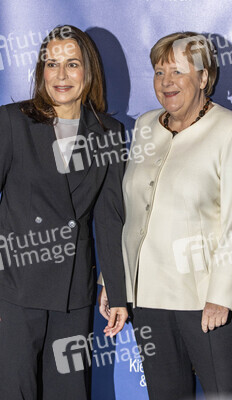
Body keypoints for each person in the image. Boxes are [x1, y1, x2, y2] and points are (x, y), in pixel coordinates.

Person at [99, 32, 232, 399]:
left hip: (207, 301)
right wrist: (115, 280)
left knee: (227, 393)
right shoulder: (143, 126)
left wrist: (222, 294)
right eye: (158, 72)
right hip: (150, 298)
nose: (166, 82)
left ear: (204, 78)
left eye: (177, 71)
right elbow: (131, 216)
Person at [0, 25, 128, 400]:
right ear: (41, 72)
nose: (61, 75)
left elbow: (109, 217)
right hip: (14, 289)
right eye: (51, 64)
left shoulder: (109, 132)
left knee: (69, 392)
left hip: (74, 292)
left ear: (88, 72)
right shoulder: (11, 122)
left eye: (72, 64)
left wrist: (116, 291)